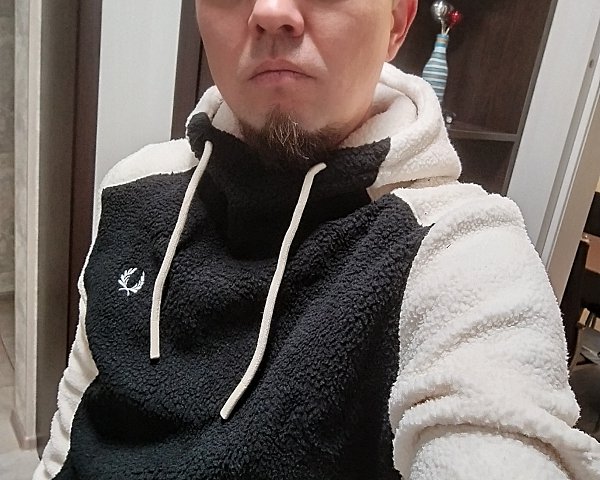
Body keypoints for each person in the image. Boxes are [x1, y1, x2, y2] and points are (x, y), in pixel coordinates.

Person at [35, 0, 600, 478]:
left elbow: (498, 439)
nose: (270, 11)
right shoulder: (135, 185)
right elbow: (77, 415)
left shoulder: (460, 248)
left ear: (398, 22)